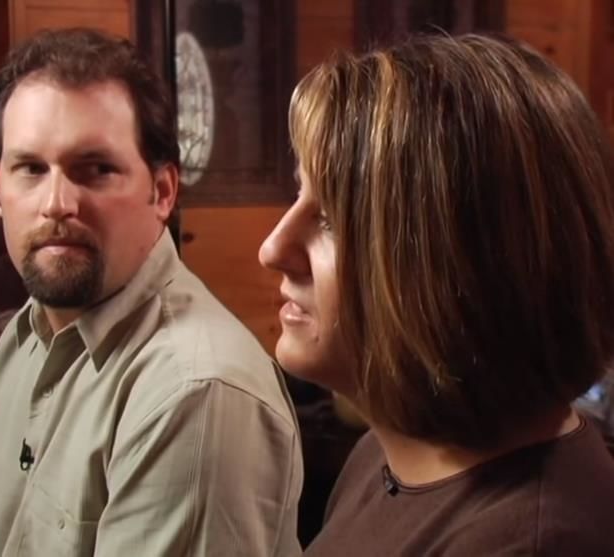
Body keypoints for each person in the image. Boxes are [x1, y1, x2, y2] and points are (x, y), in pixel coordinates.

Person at [0, 27, 302, 557]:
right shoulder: (19, 341)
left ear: (162, 192)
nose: (57, 203)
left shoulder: (195, 393)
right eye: (31, 169)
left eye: (95, 170)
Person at [259, 33, 614, 556]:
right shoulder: (390, 450)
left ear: (462, 265)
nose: (273, 249)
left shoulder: (532, 543)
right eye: (300, 193)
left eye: (331, 219)